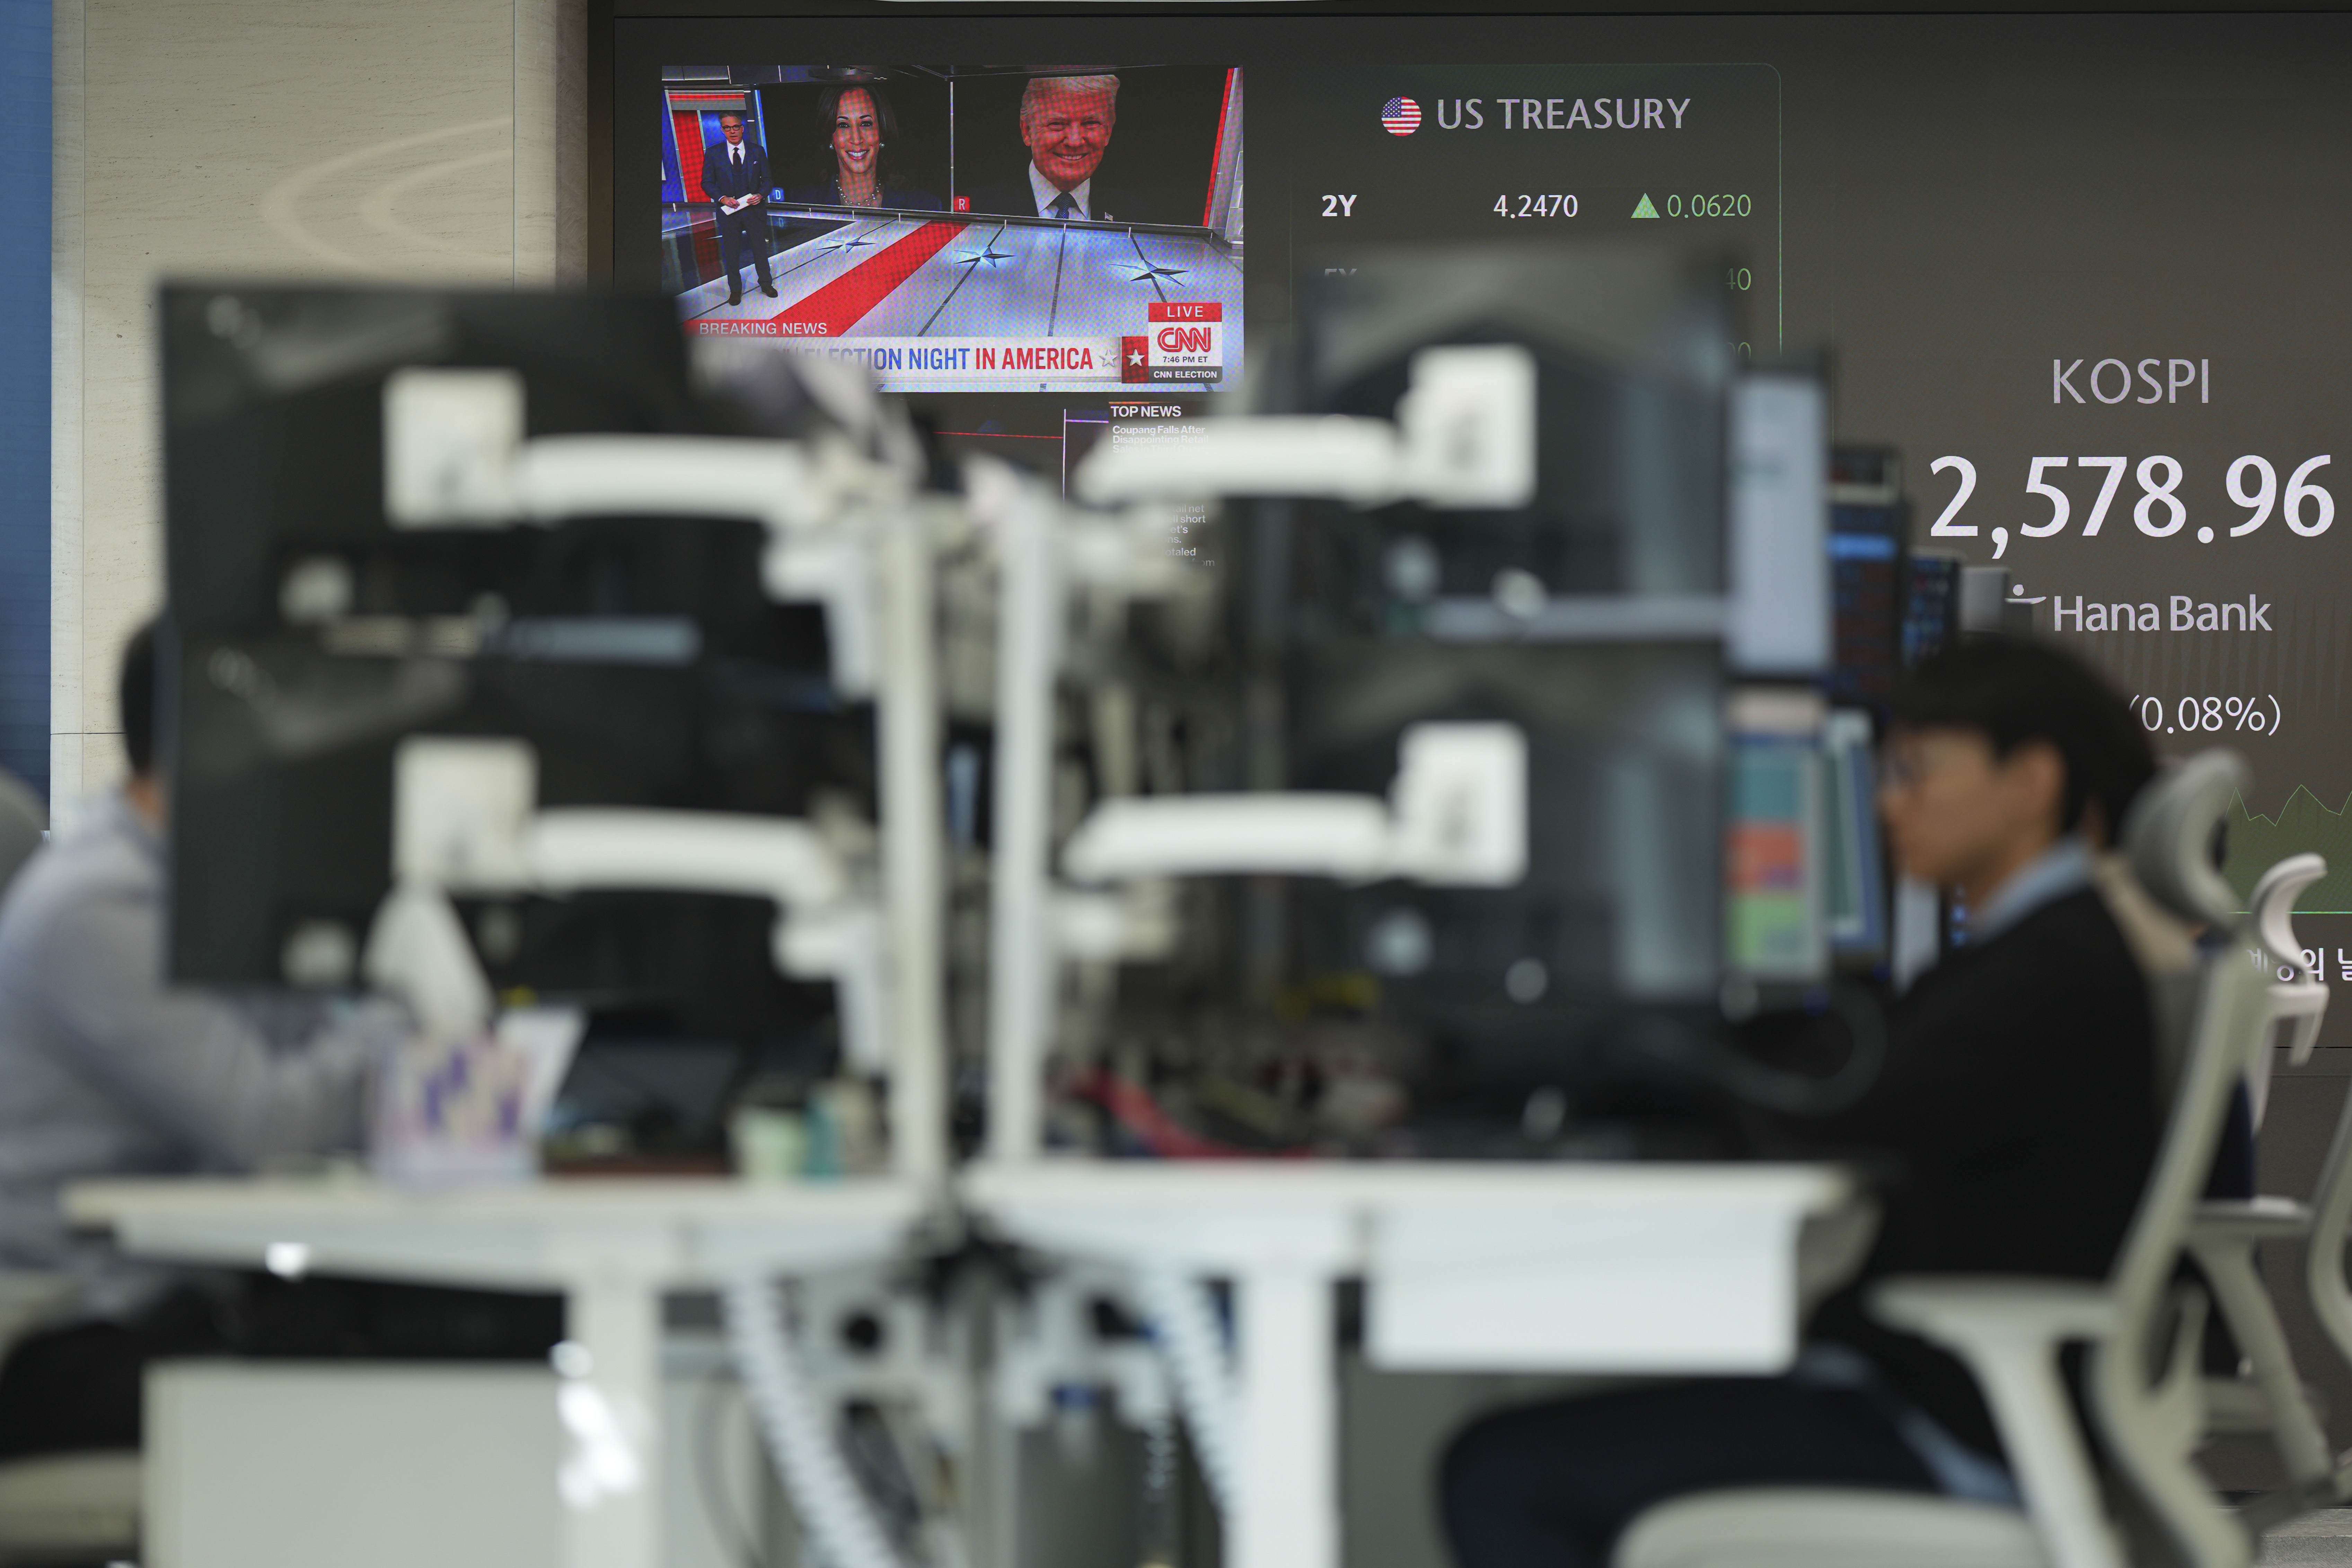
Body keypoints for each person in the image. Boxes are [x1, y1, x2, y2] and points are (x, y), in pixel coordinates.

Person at [1441, 637, 2165, 1568]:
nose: (1886, 801)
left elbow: (1842, 1102)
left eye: (1916, 771)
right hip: (1952, 1400)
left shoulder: (2047, 974)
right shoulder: (2036, 953)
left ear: (2029, 779)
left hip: (1951, 1429)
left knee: (1500, 1470)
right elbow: (1857, 1070)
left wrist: (1630, 1052)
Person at [0, 622, 555, 1459]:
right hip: (70, 1339)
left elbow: (313, 1077)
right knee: (442, 1364)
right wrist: (415, 1013)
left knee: (498, 1317)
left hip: (175, 1295)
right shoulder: (98, 908)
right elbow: (269, 1119)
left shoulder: (209, 893)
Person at [967, 74, 1160, 224]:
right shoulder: (976, 211)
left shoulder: (1142, 217)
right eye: (1058, 124)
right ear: (1027, 131)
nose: (1075, 141)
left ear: (1108, 131)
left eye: (1091, 123)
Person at [784, 83, 940, 212]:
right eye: (843, 125)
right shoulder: (800, 202)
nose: (857, 139)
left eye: (866, 124)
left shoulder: (924, 206)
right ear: (831, 138)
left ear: (882, 132)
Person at [701, 110, 775, 305]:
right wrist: (722, 198)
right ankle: (735, 290)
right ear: (722, 130)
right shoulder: (713, 153)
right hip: (729, 214)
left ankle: (766, 284)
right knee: (732, 254)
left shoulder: (757, 151)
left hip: (753, 211)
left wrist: (761, 194)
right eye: (727, 128)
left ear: (742, 129)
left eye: (736, 127)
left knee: (760, 250)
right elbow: (707, 183)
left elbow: (768, 180)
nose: (732, 131)